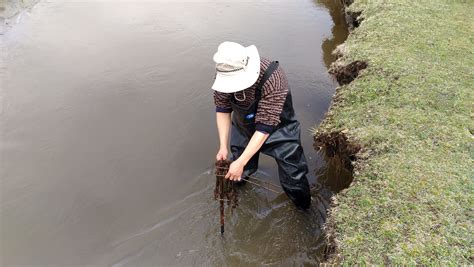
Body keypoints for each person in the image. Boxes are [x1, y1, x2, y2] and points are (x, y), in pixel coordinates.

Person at [211, 41, 311, 210]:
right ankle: (240, 191)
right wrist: (223, 147)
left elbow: (265, 127)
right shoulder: (224, 75)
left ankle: (304, 209)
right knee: (239, 170)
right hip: (244, 128)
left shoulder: (273, 77)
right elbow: (223, 109)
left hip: (279, 128)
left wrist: (241, 161)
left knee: (294, 174)